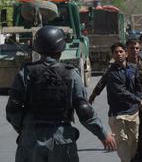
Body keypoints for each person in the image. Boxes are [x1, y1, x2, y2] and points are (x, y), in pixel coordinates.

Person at [6, 26, 116, 162]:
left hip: (30, 138)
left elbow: (12, 110)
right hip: (61, 138)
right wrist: (103, 134)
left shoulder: (25, 73)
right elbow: (84, 110)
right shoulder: (70, 74)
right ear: (61, 48)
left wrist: (23, 129)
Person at [90, 42, 142, 162]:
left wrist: (139, 98)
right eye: (116, 52)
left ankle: (130, 158)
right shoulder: (111, 72)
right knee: (121, 142)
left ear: (126, 53)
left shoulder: (133, 69)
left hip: (133, 112)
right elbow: (119, 91)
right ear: (113, 55)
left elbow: (138, 87)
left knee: (134, 141)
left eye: (121, 51)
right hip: (117, 113)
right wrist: (94, 94)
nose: (119, 54)